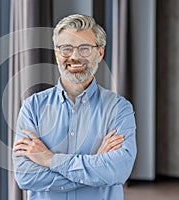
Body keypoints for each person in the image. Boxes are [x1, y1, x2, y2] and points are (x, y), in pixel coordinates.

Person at [12, 14, 137, 200]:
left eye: (85, 49)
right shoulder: (33, 107)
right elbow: (25, 177)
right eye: (66, 49)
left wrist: (50, 160)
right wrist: (95, 166)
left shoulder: (119, 109)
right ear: (56, 53)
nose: (75, 56)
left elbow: (118, 171)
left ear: (100, 53)